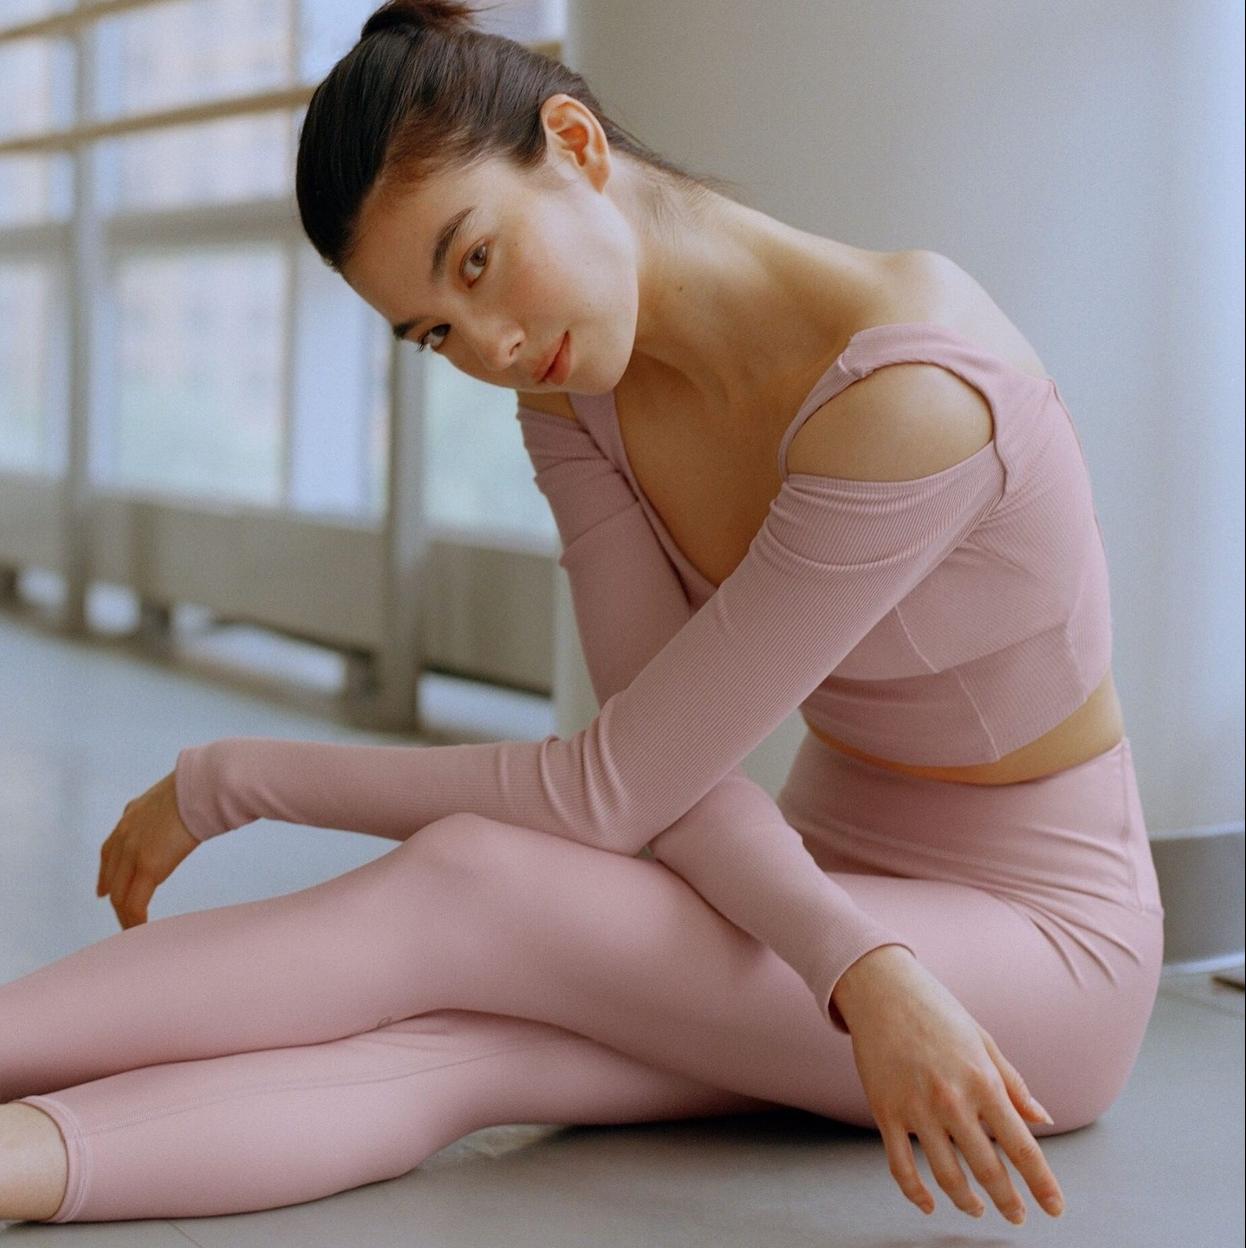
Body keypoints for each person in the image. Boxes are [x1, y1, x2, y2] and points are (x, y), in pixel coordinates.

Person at [0, 0, 1164, 1227]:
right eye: (436, 331)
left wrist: (233, 778)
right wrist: (850, 959)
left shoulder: (910, 393)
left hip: (1036, 951)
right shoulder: (577, 399)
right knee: (475, 1049)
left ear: (575, 144)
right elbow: (656, 783)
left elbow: (607, 789)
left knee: (471, 886)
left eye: (476, 260)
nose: (490, 345)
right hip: (812, 894)